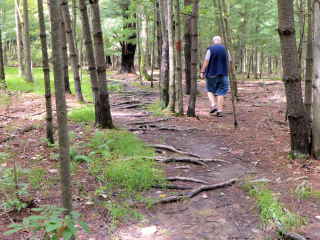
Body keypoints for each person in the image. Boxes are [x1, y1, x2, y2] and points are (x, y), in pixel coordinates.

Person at [200, 36, 230, 117]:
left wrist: (202, 72)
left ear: (213, 42)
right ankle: (220, 110)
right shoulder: (226, 50)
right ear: (220, 42)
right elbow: (229, 61)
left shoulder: (210, 49)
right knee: (221, 92)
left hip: (211, 74)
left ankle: (213, 105)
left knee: (210, 90)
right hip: (223, 74)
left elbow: (206, 61)